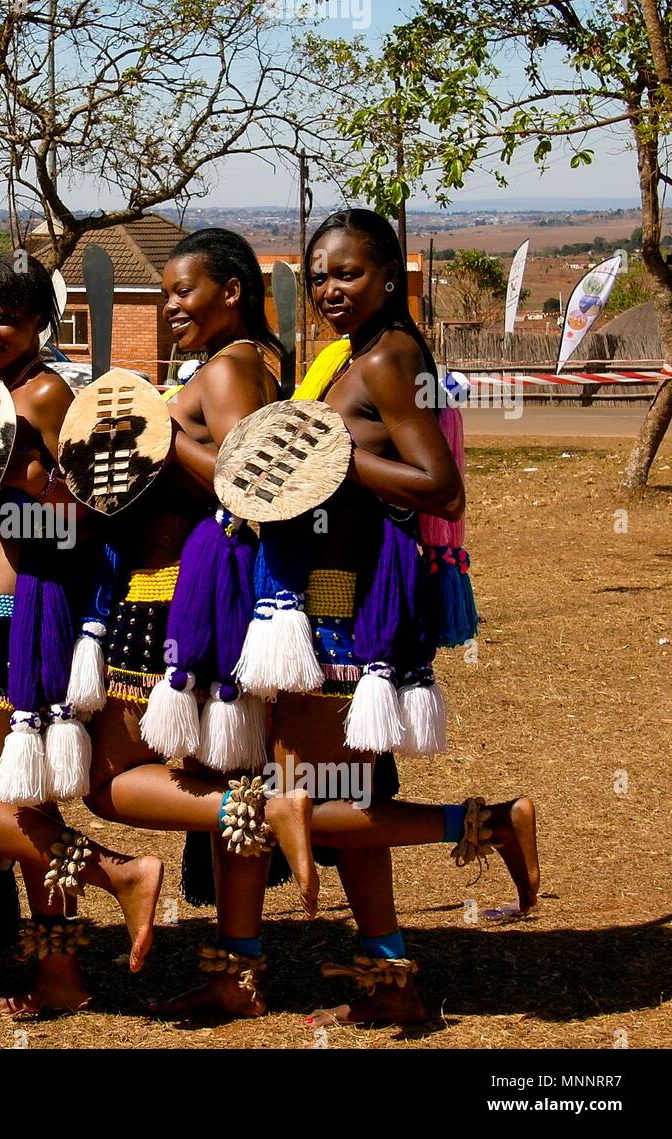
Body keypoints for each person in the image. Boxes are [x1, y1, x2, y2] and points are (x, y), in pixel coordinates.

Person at [249, 209, 538, 1028]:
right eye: (320, 278)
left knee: (304, 793)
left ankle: (485, 822)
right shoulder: (350, 356)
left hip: (352, 594)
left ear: (387, 278)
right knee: (343, 791)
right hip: (323, 585)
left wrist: (332, 451)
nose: (332, 291)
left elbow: (440, 487)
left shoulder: (392, 357)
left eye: (349, 274)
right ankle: (393, 984)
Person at [79, 229, 317, 1020]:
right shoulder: (250, 362)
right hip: (214, 591)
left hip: (180, 596)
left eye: (185, 291)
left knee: (108, 782)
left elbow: (251, 480)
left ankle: (257, 824)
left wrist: (158, 431)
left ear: (233, 292)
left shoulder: (226, 368)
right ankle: (237, 973)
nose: (171, 304)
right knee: (224, 778)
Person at [0, 252, 165, 1016]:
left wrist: (35, 484)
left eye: (4, 317)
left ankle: (120, 873)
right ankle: (58, 973)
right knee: (23, 803)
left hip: (20, 610)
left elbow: (85, 517)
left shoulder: (49, 392)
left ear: (39, 323)